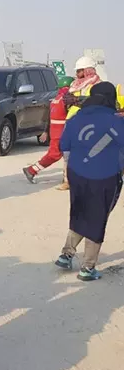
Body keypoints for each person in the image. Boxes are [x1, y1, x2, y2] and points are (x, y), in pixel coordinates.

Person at [55, 82, 124, 281]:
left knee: (80, 211)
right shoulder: (115, 121)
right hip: (105, 176)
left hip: (77, 174)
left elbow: (64, 145)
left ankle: (66, 254)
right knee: (98, 216)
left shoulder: (76, 118)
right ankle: (87, 267)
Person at [23, 76, 74, 183]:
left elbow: (48, 117)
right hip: (62, 133)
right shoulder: (67, 99)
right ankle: (31, 170)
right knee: (55, 155)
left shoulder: (56, 99)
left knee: (64, 155)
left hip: (55, 132)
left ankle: (67, 178)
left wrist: (46, 131)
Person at [65, 56, 102, 121]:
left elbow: (97, 102)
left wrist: (77, 99)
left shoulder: (98, 84)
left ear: (86, 70)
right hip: (72, 119)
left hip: (87, 120)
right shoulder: (74, 85)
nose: (76, 74)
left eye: (78, 71)